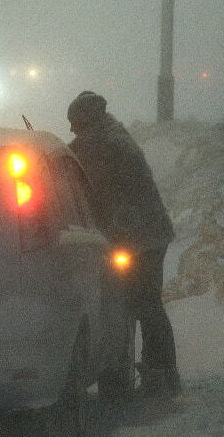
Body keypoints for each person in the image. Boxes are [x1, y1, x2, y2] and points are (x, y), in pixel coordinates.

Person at [66, 91, 180, 397]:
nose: (74, 131)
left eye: (76, 125)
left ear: (86, 121)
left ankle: (161, 377)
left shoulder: (104, 144)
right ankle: (162, 375)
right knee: (146, 305)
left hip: (141, 237)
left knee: (143, 304)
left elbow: (79, 167)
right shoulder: (111, 136)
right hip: (146, 235)